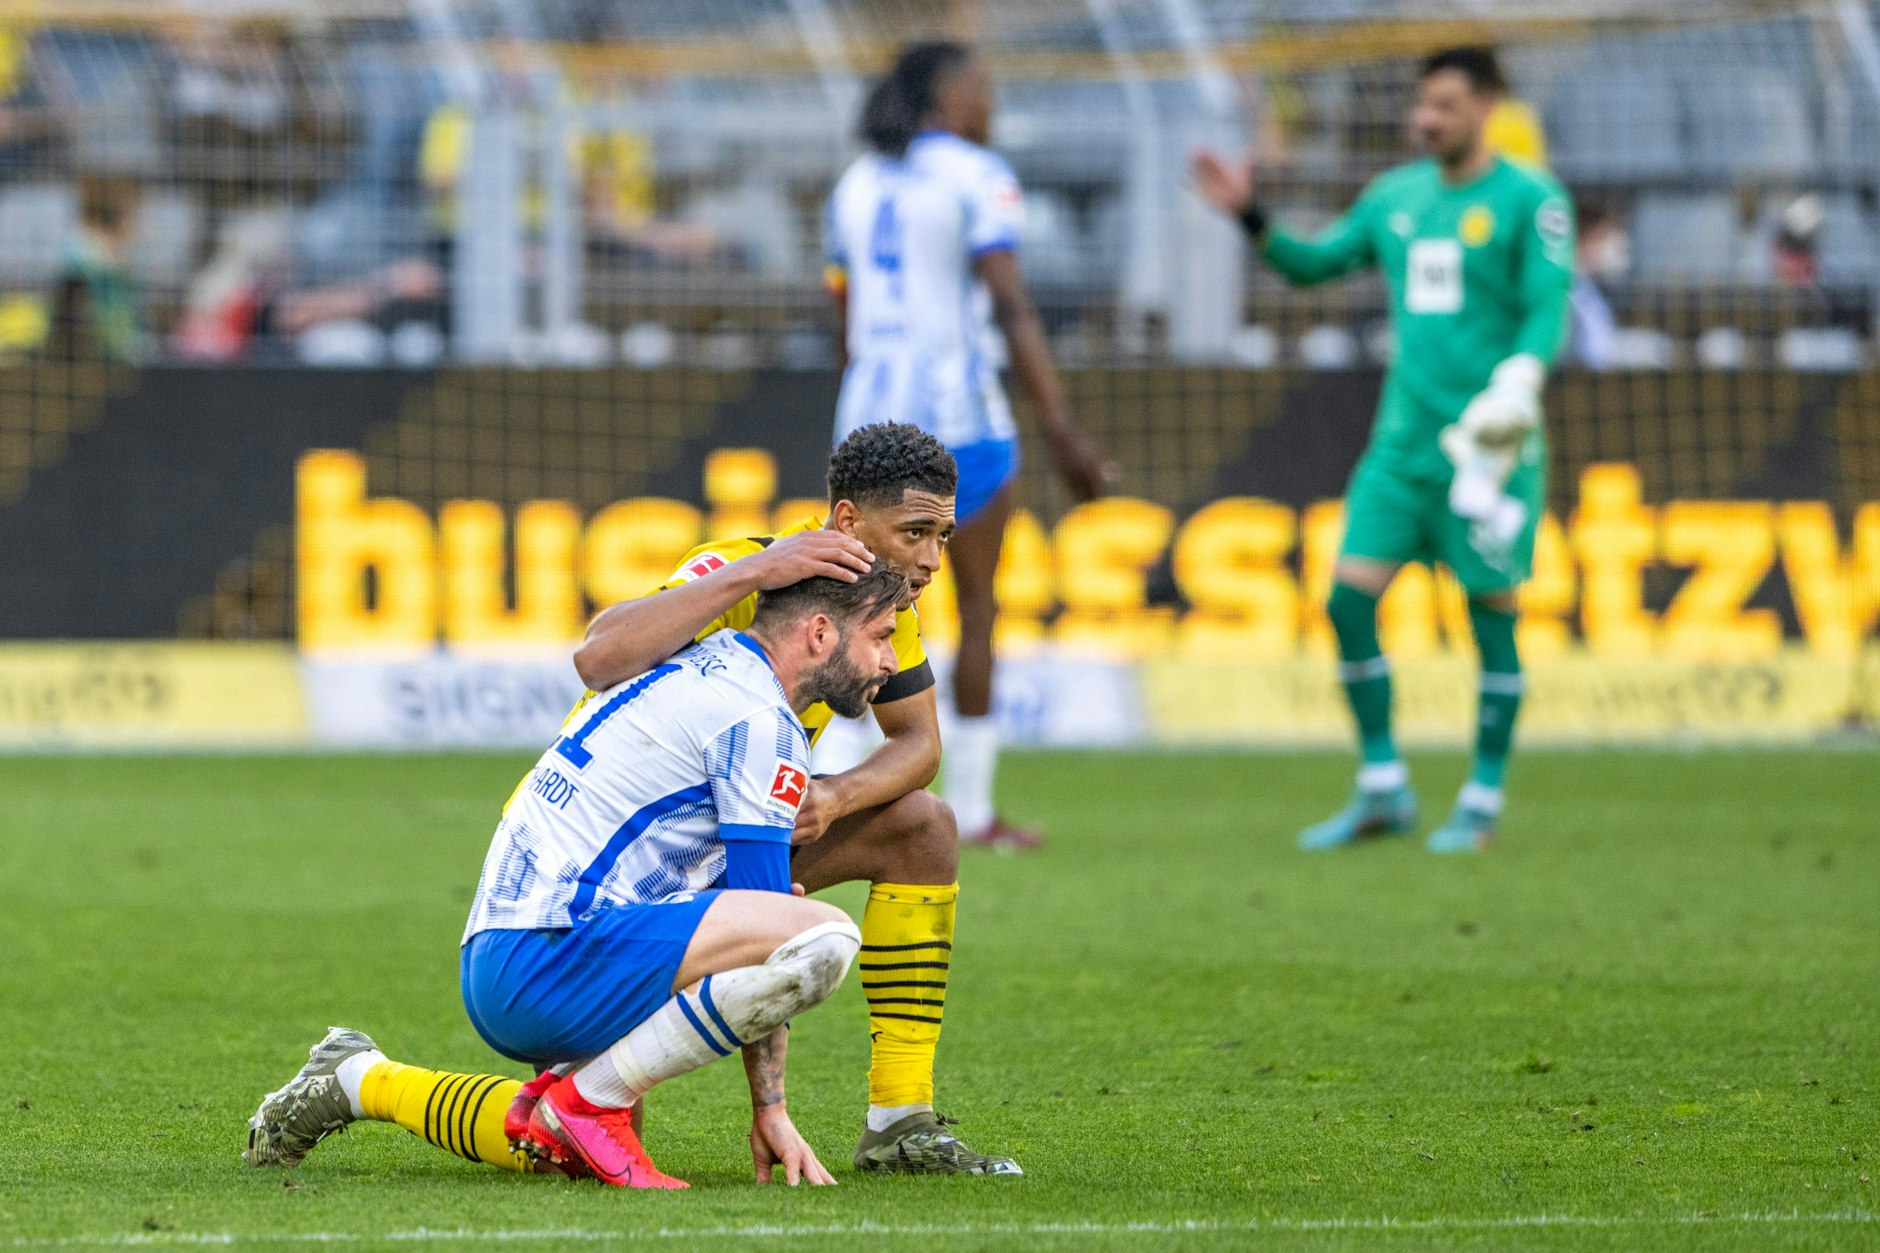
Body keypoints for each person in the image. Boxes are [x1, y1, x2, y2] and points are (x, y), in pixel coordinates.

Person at [243, 423, 1021, 1178]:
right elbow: (598, 656)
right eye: (914, 531)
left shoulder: (888, 612)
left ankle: (899, 1118)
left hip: (714, 841)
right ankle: (364, 1079)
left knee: (921, 828)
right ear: (847, 521)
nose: (930, 559)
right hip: (609, 869)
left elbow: (920, 747)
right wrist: (751, 574)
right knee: (562, 1142)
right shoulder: (746, 574)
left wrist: (834, 796)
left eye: (943, 537)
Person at [248, 563, 909, 1188]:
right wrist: (771, 1105)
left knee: (551, 1148)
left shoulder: (707, 660)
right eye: (882, 636)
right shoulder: (761, 720)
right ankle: (589, 1101)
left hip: (502, 947)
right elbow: (772, 927)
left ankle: (362, 1079)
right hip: (556, 948)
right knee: (822, 936)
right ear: (820, 632)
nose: (892, 660)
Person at [1192, 46, 1575, 853]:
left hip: (1489, 452)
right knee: (1347, 601)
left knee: (1492, 620)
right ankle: (1382, 784)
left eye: (1443, 104)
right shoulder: (1395, 196)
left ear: (1486, 106)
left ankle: (1482, 795)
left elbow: (1547, 307)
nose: (1425, 119)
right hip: (1402, 451)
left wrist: (1519, 381)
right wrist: (1251, 214)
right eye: (1422, 104)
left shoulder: (1530, 199)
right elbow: (1311, 266)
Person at [824, 42, 1113, 852]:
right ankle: (976, 811)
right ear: (948, 98)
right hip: (962, 424)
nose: (989, 102)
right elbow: (1012, 305)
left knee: (854, 611)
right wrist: (1063, 429)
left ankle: (827, 791)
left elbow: (842, 316)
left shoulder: (855, 181)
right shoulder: (975, 173)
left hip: (867, 422)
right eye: (980, 88)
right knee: (978, 608)